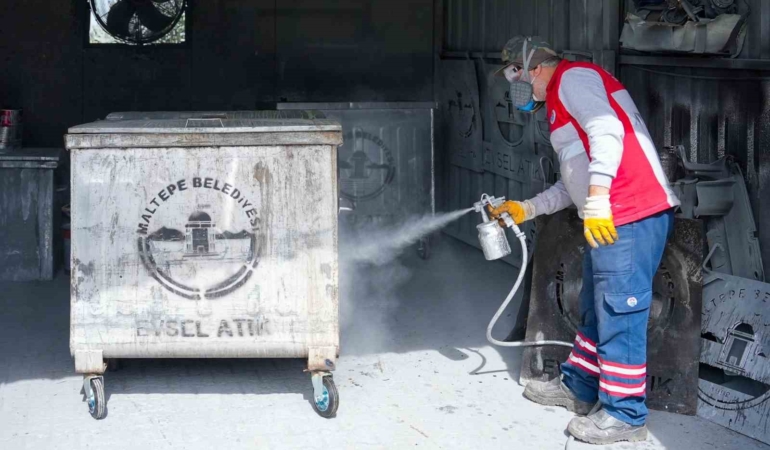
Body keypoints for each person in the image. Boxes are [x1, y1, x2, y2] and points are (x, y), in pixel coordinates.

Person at [488, 36, 680, 445]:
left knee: (620, 311)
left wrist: (597, 202)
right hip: (609, 215)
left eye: (513, 76)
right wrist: (528, 208)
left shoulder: (574, 79)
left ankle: (625, 415)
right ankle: (579, 386)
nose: (515, 88)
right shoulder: (558, 103)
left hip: (628, 212)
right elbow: (571, 178)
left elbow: (608, 131)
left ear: (532, 68)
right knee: (597, 304)